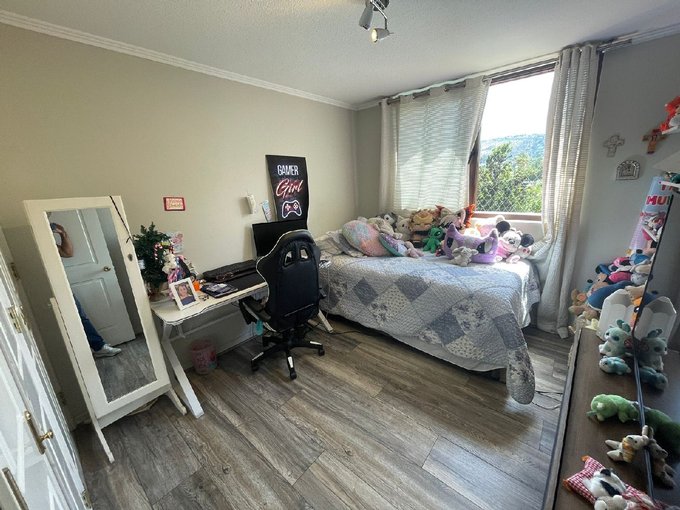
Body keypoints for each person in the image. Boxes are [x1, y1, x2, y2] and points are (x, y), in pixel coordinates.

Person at [52, 221, 122, 358]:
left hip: (61, 284)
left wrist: (63, 234)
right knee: (73, 318)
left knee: (80, 315)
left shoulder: (48, 242)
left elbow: (68, 253)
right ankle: (92, 349)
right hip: (51, 287)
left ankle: (98, 346)